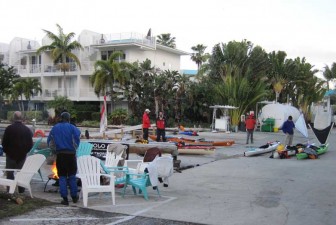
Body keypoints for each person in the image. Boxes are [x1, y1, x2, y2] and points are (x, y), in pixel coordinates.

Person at [47, 112, 81, 205]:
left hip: (60, 156)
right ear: (69, 119)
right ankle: (74, 197)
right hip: (70, 156)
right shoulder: (73, 128)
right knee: (72, 176)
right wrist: (73, 148)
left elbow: (50, 142)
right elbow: (77, 140)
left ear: (61, 118)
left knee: (62, 176)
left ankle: (64, 199)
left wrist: (55, 150)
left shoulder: (55, 128)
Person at [2, 111, 33, 193]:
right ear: (21, 118)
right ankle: (21, 190)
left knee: (10, 173)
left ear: (14, 118)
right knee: (21, 174)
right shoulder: (26, 130)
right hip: (22, 156)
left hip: (10, 155)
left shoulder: (9, 129)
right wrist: (25, 152)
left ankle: (10, 191)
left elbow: (4, 143)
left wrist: (7, 152)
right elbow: (30, 144)